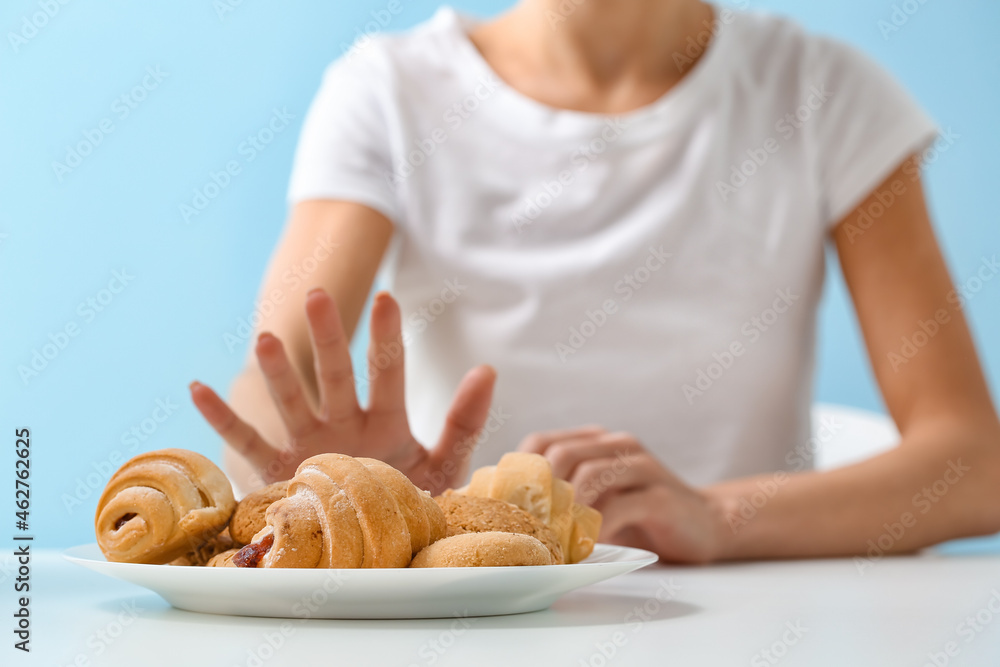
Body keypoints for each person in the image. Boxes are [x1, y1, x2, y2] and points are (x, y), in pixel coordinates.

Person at [189, 0, 1000, 563]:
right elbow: (279, 373)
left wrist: (718, 517)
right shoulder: (389, 92)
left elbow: (975, 464)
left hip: (747, 620)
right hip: (481, 627)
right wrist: (361, 496)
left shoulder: (824, 94)